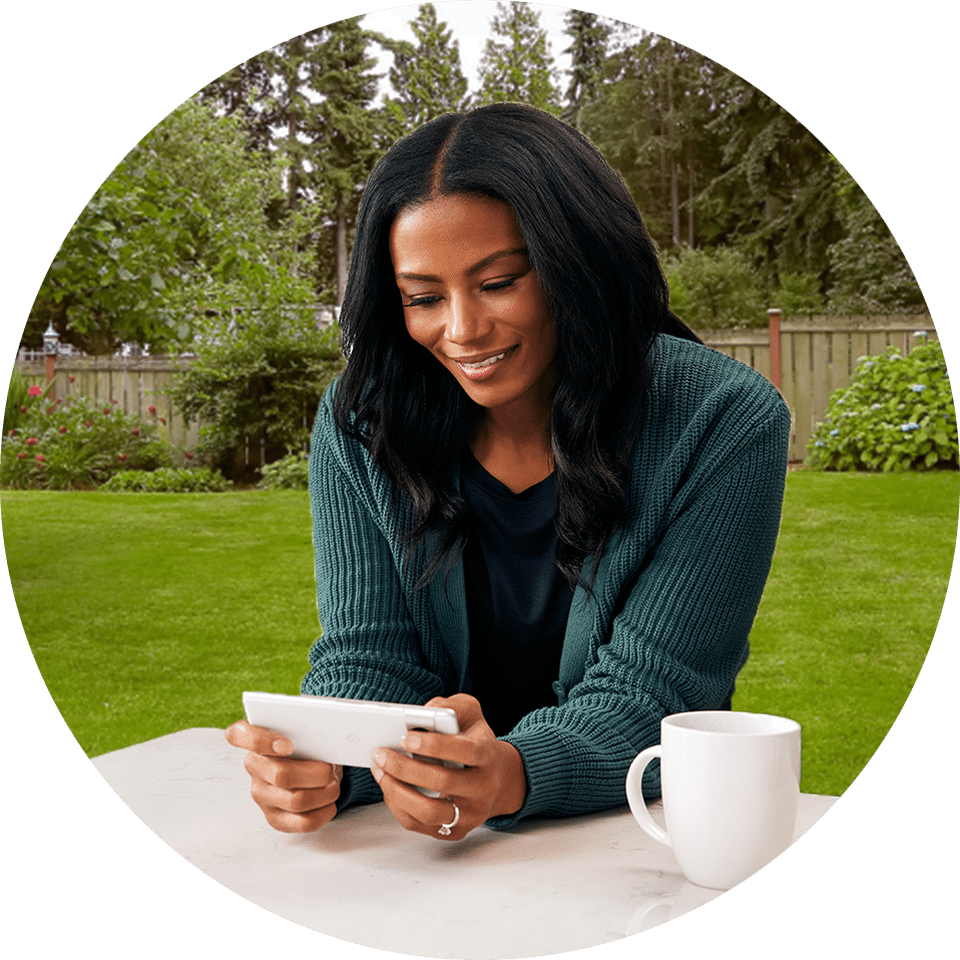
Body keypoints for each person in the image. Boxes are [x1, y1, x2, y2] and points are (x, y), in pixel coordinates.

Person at [226, 102, 790, 842]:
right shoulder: (360, 422)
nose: (461, 330)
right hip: (424, 858)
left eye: (498, 283)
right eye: (423, 298)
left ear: (573, 263)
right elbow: (369, 656)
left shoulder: (722, 419)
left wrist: (509, 774)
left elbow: (659, 691)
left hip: (633, 837)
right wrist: (324, 764)